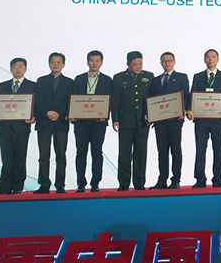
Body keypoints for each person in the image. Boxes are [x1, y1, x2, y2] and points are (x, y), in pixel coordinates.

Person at [0, 57, 36, 195]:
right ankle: (4, 187)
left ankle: (18, 187)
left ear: (26, 69)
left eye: (21, 66)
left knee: (20, 157)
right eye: (15, 66)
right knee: (6, 158)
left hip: (22, 127)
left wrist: (34, 117)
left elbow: (35, 105)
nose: (18, 69)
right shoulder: (3, 85)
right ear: (11, 69)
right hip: (4, 127)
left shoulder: (33, 85)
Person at [186, 49, 221, 188]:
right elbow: (192, 95)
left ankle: (217, 179)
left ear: (218, 59)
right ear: (204, 59)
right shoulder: (198, 76)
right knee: (200, 149)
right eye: (208, 57)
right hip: (201, 120)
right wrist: (189, 109)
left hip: (219, 120)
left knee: (218, 150)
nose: (210, 59)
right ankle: (200, 179)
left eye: (213, 57)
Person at [112, 51, 154, 191]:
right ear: (128, 64)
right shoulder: (118, 78)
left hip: (143, 121)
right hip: (125, 121)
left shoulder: (149, 76)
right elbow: (116, 100)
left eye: (140, 64)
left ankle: (139, 183)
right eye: (135, 64)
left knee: (141, 152)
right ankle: (123, 183)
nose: (138, 67)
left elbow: (152, 98)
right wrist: (115, 119)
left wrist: (151, 114)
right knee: (124, 153)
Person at [71, 50, 113, 192]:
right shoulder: (79, 79)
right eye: (91, 60)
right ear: (87, 62)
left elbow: (111, 100)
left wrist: (105, 114)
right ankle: (81, 183)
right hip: (81, 122)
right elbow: (73, 98)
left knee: (97, 152)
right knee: (80, 152)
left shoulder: (107, 80)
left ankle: (95, 183)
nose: (94, 63)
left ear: (101, 63)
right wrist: (72, 114)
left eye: (97, 61)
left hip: (98, 122)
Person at [148, 52, 189, 190]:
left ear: (174, 62)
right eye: (164, 61)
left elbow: (186, 96)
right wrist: (150, 114)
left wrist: (184, 110)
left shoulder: (182, 77)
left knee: (175, 150)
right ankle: (162, 180)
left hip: (175, 120)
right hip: (159, 122)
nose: (167, 63)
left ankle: (176, 180)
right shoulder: (155, 80)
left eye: (170, 60)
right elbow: (151, 99)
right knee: (162, 151)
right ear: (161, 63)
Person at [34, 52, 74, 194]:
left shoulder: (70, 82)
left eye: (58, 62)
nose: (55, 64)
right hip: (44, 122)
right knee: (43, 155)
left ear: (63, 64)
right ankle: (44, 184)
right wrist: (47, 112)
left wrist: (59, 114)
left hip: (61, 122)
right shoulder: (41, 81)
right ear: (49, 64)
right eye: (53, 62)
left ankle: (60, 185)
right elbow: (37, 100)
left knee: (61, 155)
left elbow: (70, 101)